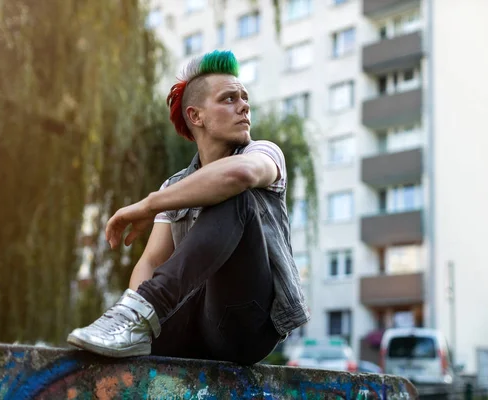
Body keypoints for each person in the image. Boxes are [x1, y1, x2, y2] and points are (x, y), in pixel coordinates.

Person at [67, 50, 310, 364]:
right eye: (229, 98)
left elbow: (240, 174)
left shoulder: (264, 153)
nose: (244, 105)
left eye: (245, 97)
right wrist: (141, 319)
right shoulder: (175, 186)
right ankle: (133, 323)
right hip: (193, 325)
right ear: (196, 116)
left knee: (234, 193)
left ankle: (143, 312)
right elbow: (151, 260)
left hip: (246, 325)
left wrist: (149, 205)